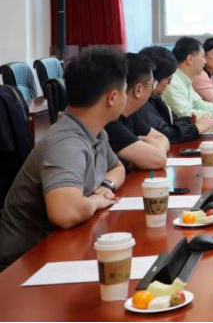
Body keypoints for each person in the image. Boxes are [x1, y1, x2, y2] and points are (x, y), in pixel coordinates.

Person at [0, 47, 126, 270]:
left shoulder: (95, 132)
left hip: (61, 245)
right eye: (125, 92)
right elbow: (65, 213)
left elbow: (118, 168)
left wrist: (105, 186)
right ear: (113, 98)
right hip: (24, 262)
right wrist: (96, 201)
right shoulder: (66, 142)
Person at [136, 46, 213, 143]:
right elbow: (165, 134)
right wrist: (196, 128)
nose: (169, 83)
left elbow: (173, 120)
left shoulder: (155, 97)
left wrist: (189, 121)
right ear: (154, 79)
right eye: (168, 79)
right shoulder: (142, 103)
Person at [104, 53, 170, 171]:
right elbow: (158, 160)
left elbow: (162, 138)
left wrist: (156, 147)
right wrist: (156, 148)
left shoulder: (130, 114)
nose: (153, 89)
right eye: (152, 84)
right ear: (138, 89)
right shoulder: (110, 123)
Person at [162, 36, 213, 120]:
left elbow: (198, 103)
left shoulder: (185, 80)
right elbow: (185, 114)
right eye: (203, 57)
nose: (205, 61)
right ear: (190, 59)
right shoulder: (172, 82)